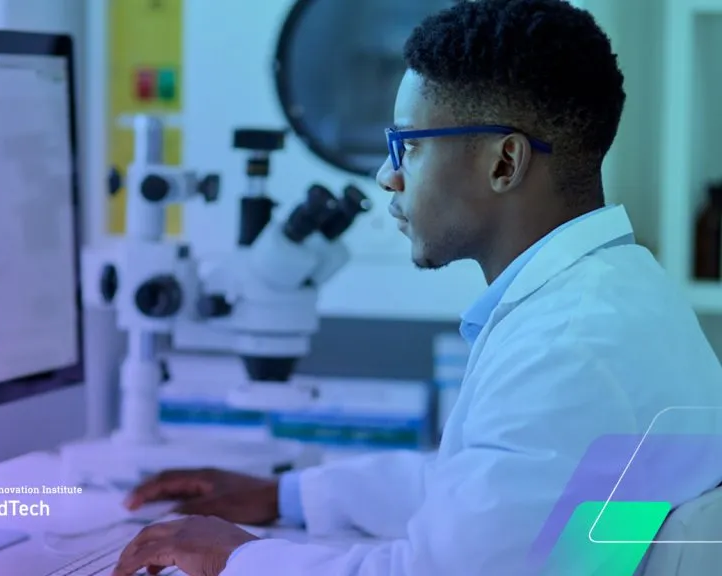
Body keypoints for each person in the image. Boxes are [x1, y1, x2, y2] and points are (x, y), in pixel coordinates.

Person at [110, 1, 722, 575]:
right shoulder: (609, 293)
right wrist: (285, 496)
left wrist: (238, 560)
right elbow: (487, 487)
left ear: (503, 163)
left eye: (407, 145)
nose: (387, 177)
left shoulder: (571, 347)